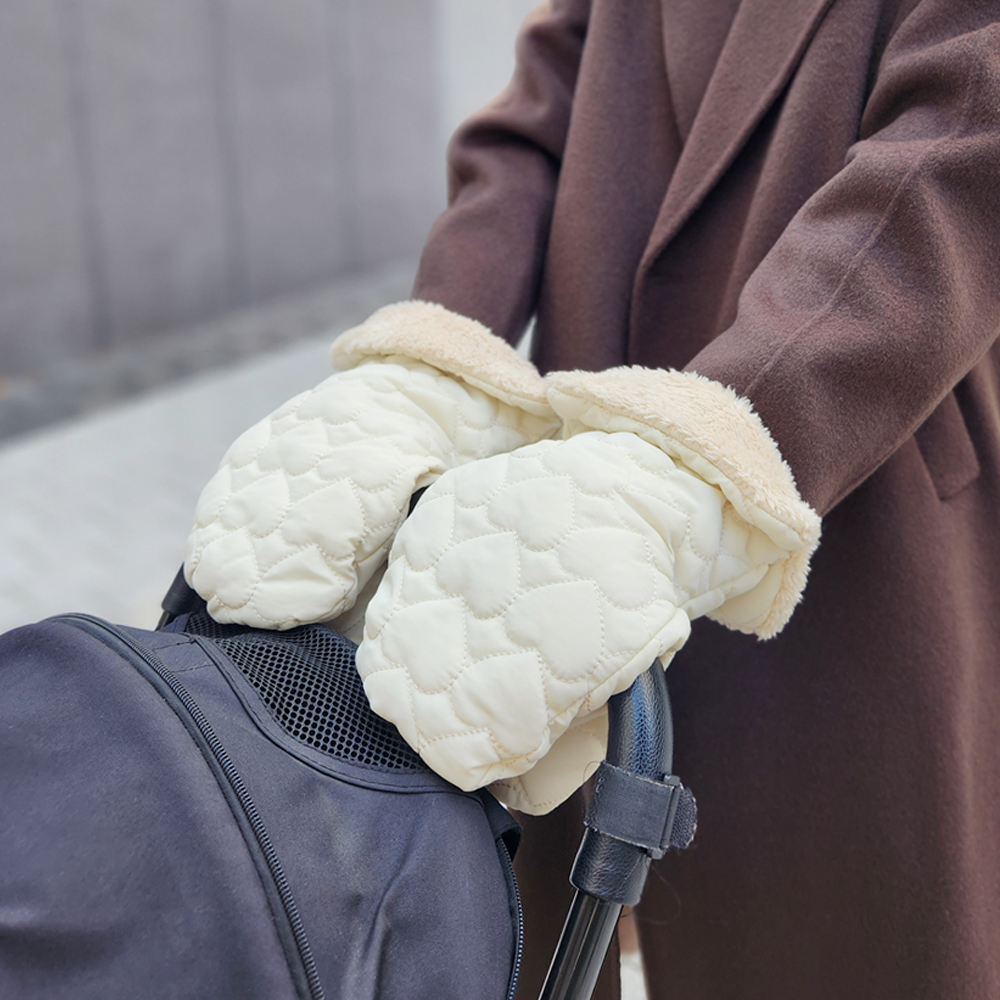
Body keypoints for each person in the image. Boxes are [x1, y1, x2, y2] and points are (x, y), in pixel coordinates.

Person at [184, 1, 1000, 997]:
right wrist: (433, 357)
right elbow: (540, 109)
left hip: (840, 498)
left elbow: (955, 151)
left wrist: (715, 442)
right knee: (548, 920)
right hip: (564, 518)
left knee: (819, 934)